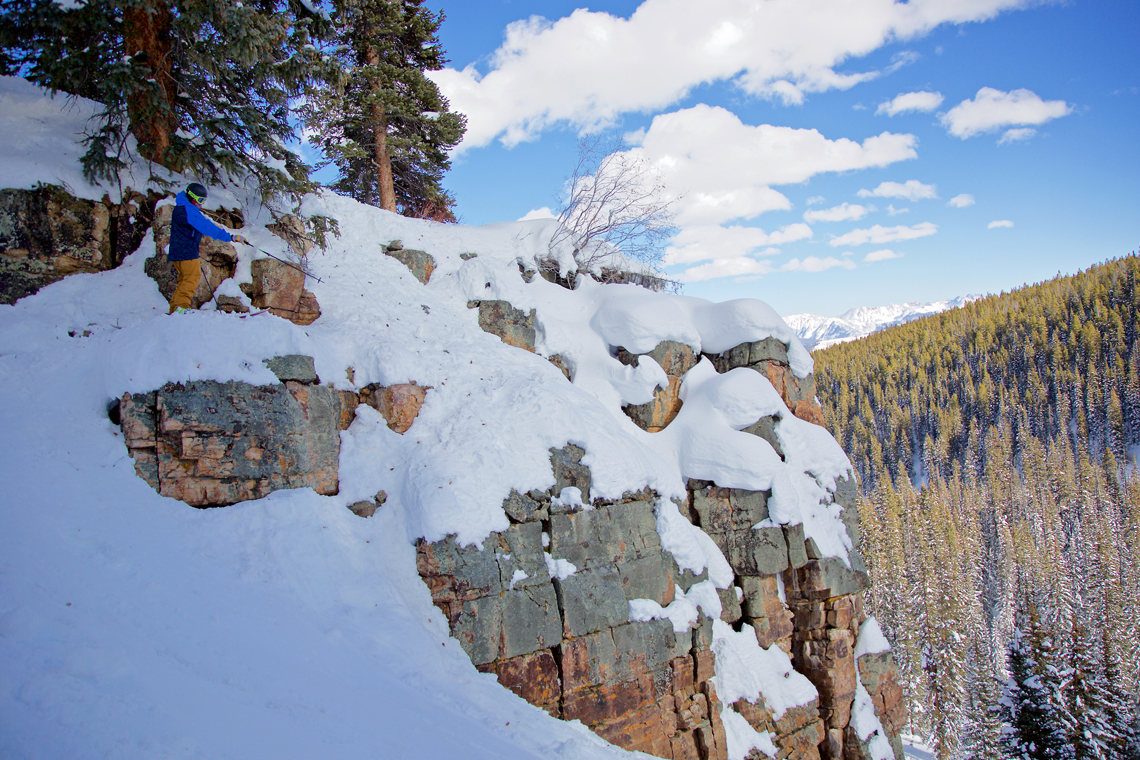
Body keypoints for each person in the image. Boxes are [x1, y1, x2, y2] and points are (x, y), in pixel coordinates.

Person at [167, 182, 249, 313]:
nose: (201, 203)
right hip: (186, 252)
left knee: (184, 279)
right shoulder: (188, 211)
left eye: (204, 200)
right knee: (191, 278)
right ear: (191, 197)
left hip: (179, 252)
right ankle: (181, 307)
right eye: (200, 200)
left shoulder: (183, 208)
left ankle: (176, 309)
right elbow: (207, 227)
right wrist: (231, 237)